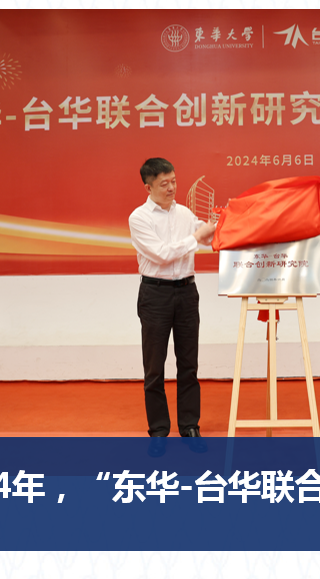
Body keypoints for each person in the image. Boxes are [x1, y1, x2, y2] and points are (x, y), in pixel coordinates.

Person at [128, 157, 215, 447]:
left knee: (188, 363)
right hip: (155, 295)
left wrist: (221, 224)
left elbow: (207, 237)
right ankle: (158, 430)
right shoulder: (139, 218)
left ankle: (189, 425)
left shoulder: (185, 214)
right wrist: (196, 238)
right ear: (148, 187)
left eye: (174, 181)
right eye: (164, 184)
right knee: (154, 366)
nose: (171, 188)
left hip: (187, 292)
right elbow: (162, 254)